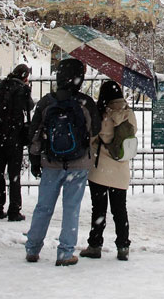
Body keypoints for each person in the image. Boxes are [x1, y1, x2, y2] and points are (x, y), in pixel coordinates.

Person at [25, 58, 101, 266]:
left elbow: (34, 133)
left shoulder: (47, 102)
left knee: (43, 207)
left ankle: (33, 248)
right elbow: (95, 130)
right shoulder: (86, 103)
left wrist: (35, 158)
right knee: (71, 208)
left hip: (51, 162)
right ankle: (65, 252)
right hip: (78, 163)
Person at [80, 80, 138, 261]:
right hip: (120, 170)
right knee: (120, 210)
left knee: (99, 209)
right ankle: (123, 246)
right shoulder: (129, 114)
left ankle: (95, 245)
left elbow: (92, 137)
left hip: (101, 169)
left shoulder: (102, 114)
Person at [0, 64, 34, 222]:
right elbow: (29, 107)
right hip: (15, 137)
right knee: (14, 175)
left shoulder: (1, 87)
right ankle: (14, 209)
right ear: (25, 77)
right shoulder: (22, 90)